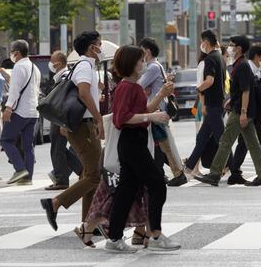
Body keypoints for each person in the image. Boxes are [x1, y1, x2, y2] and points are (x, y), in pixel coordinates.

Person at [104, 45, 180, 253]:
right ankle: (154, 234)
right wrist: (151, 117)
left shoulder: (131, 86)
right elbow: (122, 119)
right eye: (140, 60)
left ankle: (115, 238)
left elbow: (143, 110)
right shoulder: (128, 87)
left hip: (133, 142)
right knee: (157, 184)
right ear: (131, 63)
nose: (143, 63)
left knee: (126, 191)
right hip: (132, 143)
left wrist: (162, 94)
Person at [41, 31, 105, 232]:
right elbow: (84, 93)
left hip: (82, 125)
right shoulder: (85, 66)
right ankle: (55, 203)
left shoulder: (85, 66)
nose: (101, 47)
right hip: (83, 126)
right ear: (91, 47)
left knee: (89, 174)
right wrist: (99, 118)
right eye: (98, 44)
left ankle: (88, 223)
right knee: (95, 175)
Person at [195, 35, 261, 187]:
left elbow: (246, 91)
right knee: (253, 143)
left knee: (225, 141)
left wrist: (243, 112)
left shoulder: (242, 65)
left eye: (231, 44)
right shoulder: (239, 64)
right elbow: (240, 90)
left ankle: (214, 174)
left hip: (240, 111)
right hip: (242, 109)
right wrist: (232, 100)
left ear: (239, 48)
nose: (229, 47)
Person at [227, 44, 261, 185]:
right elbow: (243, 90)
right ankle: (240, 172)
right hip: (247, 111)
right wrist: (242, 110)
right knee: (247, 142)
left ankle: (248, 172)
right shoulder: (247, 67)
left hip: (252, 111)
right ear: (257, 56)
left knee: (251, 141)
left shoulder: (256, 69)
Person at [138, 38, 187, 187]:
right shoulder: (156, 65)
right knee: (159, 144)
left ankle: (177, 173)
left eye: (142, 50)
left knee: (163, 143)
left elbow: (139, 85)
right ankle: (164, 173)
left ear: (147, 51)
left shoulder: (153, 67)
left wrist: (144, 88)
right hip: (157, 109)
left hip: (156, 109)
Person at [184, 31, 232, 176]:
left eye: (202, 41)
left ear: (206, 42)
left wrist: (199, 89)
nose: (201, 45)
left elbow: (209, 81)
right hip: (218, 102)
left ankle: (233, 167)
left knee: (221, 139)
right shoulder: (220, 58)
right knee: (202, 138)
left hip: (213, 104)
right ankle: (188, 168)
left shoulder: (210, 59)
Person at [1, 40, 41, 185]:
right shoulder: (34, 67)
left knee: (5, 140)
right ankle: (28, 178)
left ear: (17, 53)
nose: (11, 54)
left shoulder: (18, 67)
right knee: (28, 146)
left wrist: (8, 108)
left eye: (12, 51)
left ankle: (19, 169)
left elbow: (14, 90)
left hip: (19, 112)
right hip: (33, 112)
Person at [46, 51, 83, 191]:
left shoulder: (64, 77)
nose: (51, 63)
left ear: (59, 63)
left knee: (57, 147)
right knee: (58, 148)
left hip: (60, 116)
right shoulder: (62, 76)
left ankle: (62, 179)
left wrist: (63, 121)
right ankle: (80, 169)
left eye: (52, 60)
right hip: (59, 116)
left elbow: (63, 100)